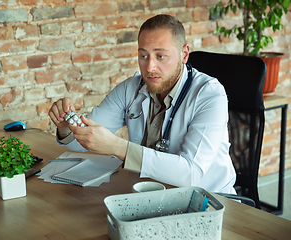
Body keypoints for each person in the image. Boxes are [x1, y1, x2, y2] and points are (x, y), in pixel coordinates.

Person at [49, 14, 236, 194]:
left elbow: (191, 174)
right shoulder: (131, 88)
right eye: (143, 56)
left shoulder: (210, 95)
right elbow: (84, 143)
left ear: (184, 54)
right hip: (152, 195)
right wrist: (68, 127)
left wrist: (118, 147)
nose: (149, 67)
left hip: (209, 201)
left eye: (160, 56)